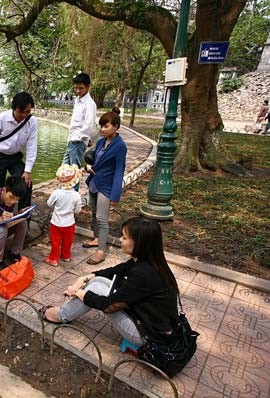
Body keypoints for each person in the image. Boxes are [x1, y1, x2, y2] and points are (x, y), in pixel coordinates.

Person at [40, 217, 180, 351]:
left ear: (139, 243)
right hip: (147, 317)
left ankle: (61, 316)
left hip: (149, 334)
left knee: (95, 289)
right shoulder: (148, 260)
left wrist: (78, 292)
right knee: (97, 281)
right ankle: (64, 312)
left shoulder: (143, 273)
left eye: (124, 237)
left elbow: (108, 306)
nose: (120, 240)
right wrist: (86, 277)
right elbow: (116, 270)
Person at [82, 109, 127, 265]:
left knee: (102, 218)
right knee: (94, 213)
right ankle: (96, 239)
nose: (103, 129)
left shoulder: (120, 146)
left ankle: (101, 252)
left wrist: (115, 195)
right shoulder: (101, 142)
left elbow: (119, 171)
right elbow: (93, 158)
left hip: (106, 187)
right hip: (94, 182)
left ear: (116, 126)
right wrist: (88, 165)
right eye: (101, 126)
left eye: (106, 126)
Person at [0, 92, 38, 212]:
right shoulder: (0, 120)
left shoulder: (32, 122)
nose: (24, 115)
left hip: (15, 157)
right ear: (13, 109)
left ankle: (23, 216)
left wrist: (27, 171)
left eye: (27, 112)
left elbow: (32, 146)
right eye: (20, 112)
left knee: (26, 183)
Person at [62, 73, 97, 191]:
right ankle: (64, 196)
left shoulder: (90, 104)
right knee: (64, 171)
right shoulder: (78, 101)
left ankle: (73, 199)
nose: (78, 90)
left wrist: (80, 138)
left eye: (81, 88)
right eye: (76, 88)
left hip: (77, 141)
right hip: (72, 140)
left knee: (74, 172)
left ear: (88, 87)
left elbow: (89, 124)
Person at [44, 164, 84, 267]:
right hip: (69, 223)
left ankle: (53, 259)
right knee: (68, 241)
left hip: (56, 222)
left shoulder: (57, 193)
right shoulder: (76, 195)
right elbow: (78, 210)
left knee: (55, 241)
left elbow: (49, 204)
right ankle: (66, 256)